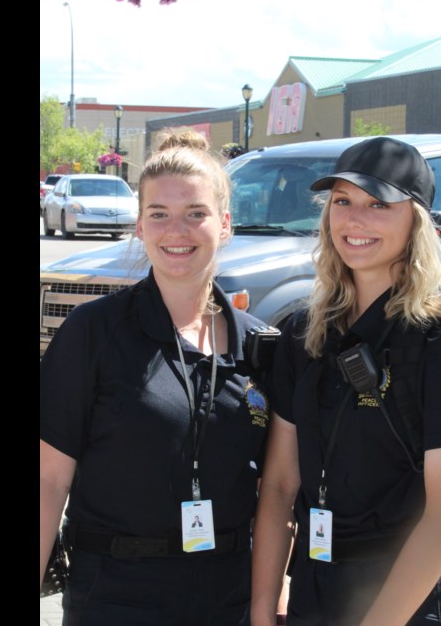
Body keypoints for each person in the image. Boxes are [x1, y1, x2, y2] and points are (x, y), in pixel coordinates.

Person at [41, 129, 272, 625]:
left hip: (226, 598)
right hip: (115, 599)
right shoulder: (93, 333)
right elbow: (46, 481)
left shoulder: (259, 346)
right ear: (140, 227)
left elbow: (279, 491)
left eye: (196, 214)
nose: (177, 231)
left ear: (225, 224)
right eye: (159, 215)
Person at [251, 137, 441, 626]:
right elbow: (282, 484)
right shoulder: (302, 334)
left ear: (417, 222)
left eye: (378, 205)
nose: (354, 219)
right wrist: (264, 605)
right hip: (316, 588)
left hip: (411, 598)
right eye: (342, 201)